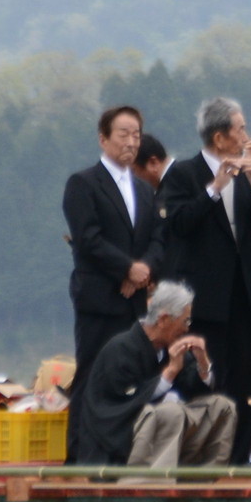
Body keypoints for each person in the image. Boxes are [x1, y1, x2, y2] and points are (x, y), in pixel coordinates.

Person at [160, 96, 251, 461]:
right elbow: (178, 223)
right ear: (220, 137)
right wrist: (213, 189)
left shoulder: (244, 174)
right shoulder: (183, 173)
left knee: (244, 386)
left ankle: (240, 461)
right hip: (203, 303)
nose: (246, 135)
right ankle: (201, 459)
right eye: (240, 129)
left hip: (241, 299)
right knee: (205, 382)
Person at [62, 105, 167, 417]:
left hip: (135, 302)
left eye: (136, 135)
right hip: (99, 299)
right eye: (123, 134)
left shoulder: (144, 190)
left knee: (131, 376)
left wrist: (144, 270)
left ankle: (122, 450)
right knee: (93, 374)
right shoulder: (83, 184)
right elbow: (88, 238)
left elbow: (159, 238)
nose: (131, 142)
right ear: (103, 139)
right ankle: (80, 453)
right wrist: (127, 269)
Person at [70, 281, 236, 468]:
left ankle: (201, 478)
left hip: (163, 435)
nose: (187, 328)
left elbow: (194, 391)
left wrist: (203, 364)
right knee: (171, 412)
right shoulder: (121, 349)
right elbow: (122, 406)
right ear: (164, 319)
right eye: (184, 321)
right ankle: (152, 484)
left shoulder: (170, 349)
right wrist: (169, 374)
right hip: (116, 444)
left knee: (222, 407)